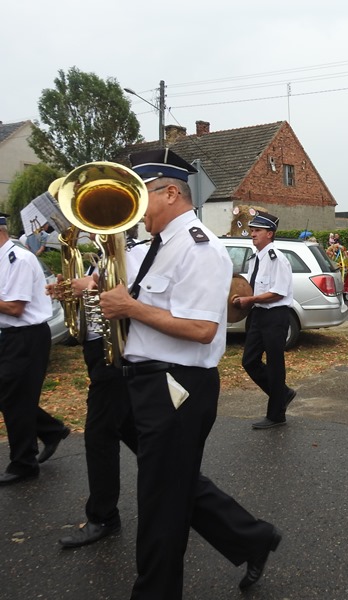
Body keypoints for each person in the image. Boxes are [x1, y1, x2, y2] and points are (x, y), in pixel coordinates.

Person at [99, 150, 282, 597]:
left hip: (175, 386)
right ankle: (251, 538)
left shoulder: (200, 248)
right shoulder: (157, 245)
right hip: (143, 381)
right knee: (172, 482)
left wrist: (129, 308)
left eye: (139, 195)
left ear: (170, 193)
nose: (134, 208)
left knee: (160, 503)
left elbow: (202, 330)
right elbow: (140, 297)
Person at [50, 230, 146, 547]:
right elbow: (97, 305)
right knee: (137, 435)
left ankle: (103, 516)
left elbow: (132, 297)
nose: (90, 228)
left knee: (99, 436)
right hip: (99, 351)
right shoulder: (102, 257)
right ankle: (186, 490)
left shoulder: (133, 254)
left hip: (116, 355)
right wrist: (70, 293)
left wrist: (90, 285)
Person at [0, 213, 70, 486]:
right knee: (11, 396)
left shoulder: (18, 259)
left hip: (26, 336)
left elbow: (15, 308)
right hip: (9, 336)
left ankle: (24, 464)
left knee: (15, 399)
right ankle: (51, 430)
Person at [232, 210, 297, 430]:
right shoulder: (255, 259)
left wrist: (249, 299)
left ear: (270, 234)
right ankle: (282, 393)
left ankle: (276, 415)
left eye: (257, 230)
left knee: (275, 364)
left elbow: (278, 292)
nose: (252, 234)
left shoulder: (277, 259)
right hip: (258, 314)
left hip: (275, 316)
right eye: (251, 230)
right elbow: (251, 287)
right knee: (249, 361)